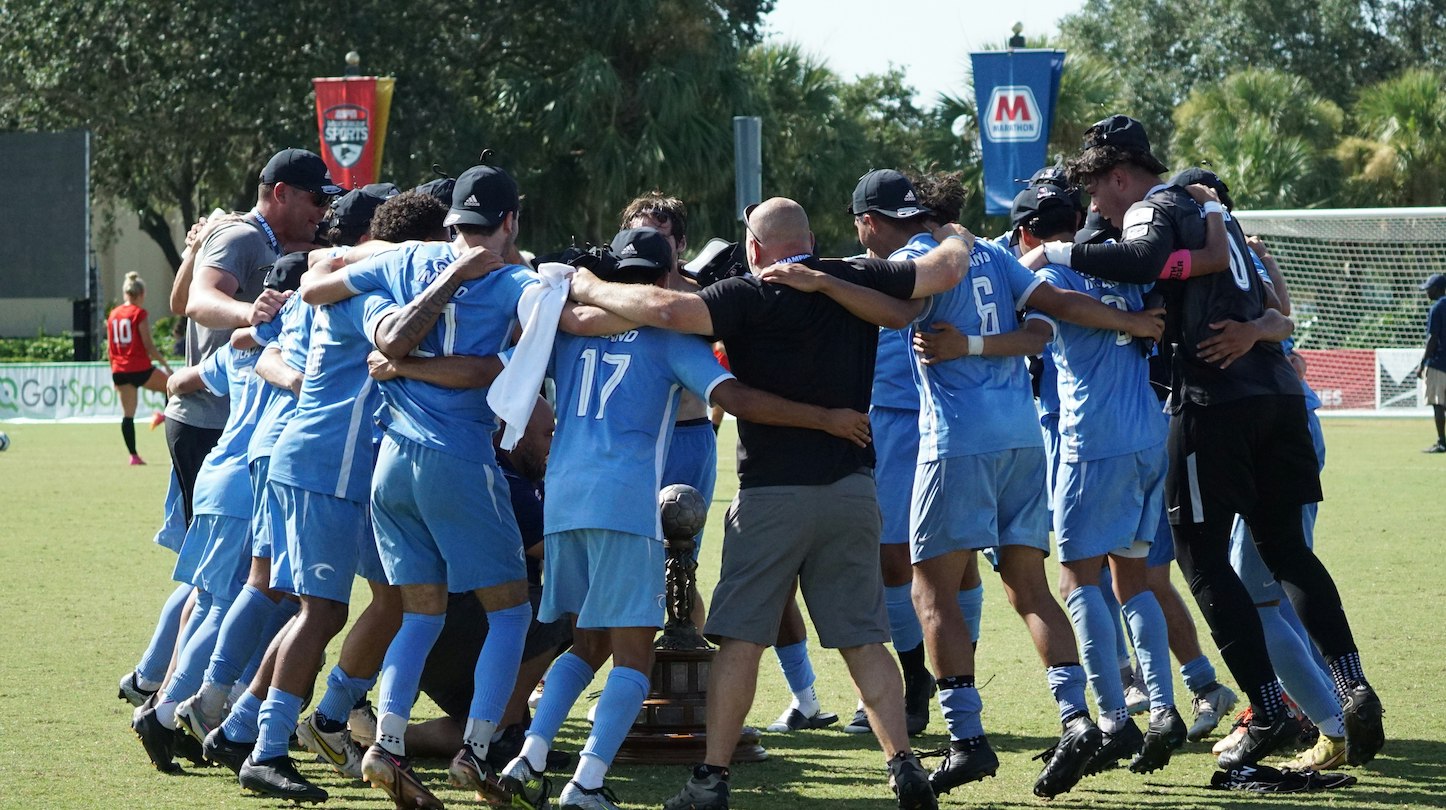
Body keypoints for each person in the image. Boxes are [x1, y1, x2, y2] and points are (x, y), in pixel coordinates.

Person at [571, 196, 989, 810]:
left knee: (740, 641)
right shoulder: (852, 275)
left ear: (755, 247)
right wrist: (954, 230)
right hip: (852, 486)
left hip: (771, 492)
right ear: (812, 239)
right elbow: (945, 270)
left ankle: (710, 780)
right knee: (865, 641)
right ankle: (904, 767)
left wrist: (587, 282)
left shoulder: (747, 292)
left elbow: (664, 307)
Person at [768, 177, 1164, 799]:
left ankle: (967, 740)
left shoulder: (913, 262)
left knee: (931, 593)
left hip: (958, 442)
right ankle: (1077, 717)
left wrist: (820, 282)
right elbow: (1044, 329)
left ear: (872, 221)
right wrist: (1134, 323)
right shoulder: (995, 252)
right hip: (1024, 438)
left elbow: (898, 310)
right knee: (1030, 587)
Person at [1035, 114, 1384, 769]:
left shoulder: (1151, 209)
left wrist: (1051, 255)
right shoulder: (1220, 225)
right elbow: (1272, 305)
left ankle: (1268, 710)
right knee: (1284, 553)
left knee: (1199, 559)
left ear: (1117, 175)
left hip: (1212, 404)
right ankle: (1351, 682)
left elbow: (1141, 260)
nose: (1095, 208)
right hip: (1279, 400)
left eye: (1095, 190)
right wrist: (1256, 321)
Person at [166, 148, 337, 524]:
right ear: (281, 194)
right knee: (223, 564)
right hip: (208, 419)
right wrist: (251, 313)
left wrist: (195, 251)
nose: (324, 210)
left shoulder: (272, 240)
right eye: (318, 198)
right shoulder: (240, 235)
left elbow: (178, 302)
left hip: (234, 422)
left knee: (240, 560)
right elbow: (196, 301)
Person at [107, 272, 171, 465]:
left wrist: (114, 374)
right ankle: (164, 416)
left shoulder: (113, 314)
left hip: (119, 369)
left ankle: (133, 456)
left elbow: (110, 348)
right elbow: (148, 345)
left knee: (128, 415)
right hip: (139, 367)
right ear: (141, 294)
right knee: (173, 387)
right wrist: (166, 365)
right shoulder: (138, 313)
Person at [1416, 273, 1446, 453]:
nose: (1427, 292)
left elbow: (1432, 338)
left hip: (1438, 362)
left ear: (1438, 289)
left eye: (1429, 288)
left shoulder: (1437, 308)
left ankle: (1442, 441)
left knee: (1438, 403)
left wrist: (1423, 363)